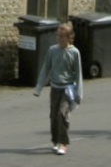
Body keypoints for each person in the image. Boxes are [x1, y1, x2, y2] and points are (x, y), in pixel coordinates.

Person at [33, 21, 84, 156]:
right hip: (55, 88)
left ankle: (64, 143)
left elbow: (78, 74)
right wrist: (38, 87)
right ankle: (55, 141)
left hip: (67, 89)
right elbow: (45, 69)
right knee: (53, 116)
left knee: (62, 114)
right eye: (58, 36)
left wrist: (79, 94)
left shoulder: (74, 53)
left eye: (63, 36)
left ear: (69, 37)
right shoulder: (52, 50)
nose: (60, 39)